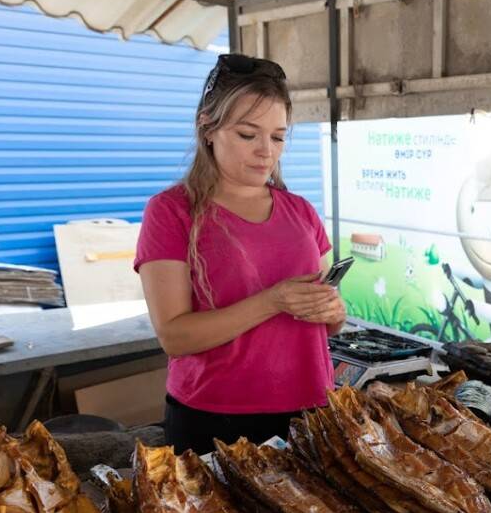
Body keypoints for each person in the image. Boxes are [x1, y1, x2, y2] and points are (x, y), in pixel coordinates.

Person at [135, 54, 346, 455]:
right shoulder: (172, 212)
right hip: (215, 421)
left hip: (310, 411)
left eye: (278, 137)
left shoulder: (301, 211)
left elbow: (330, 322)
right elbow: (174, 336)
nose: (266, 151)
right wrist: (273, 301)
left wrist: (333, 310)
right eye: (248, 135)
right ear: (208, 128)